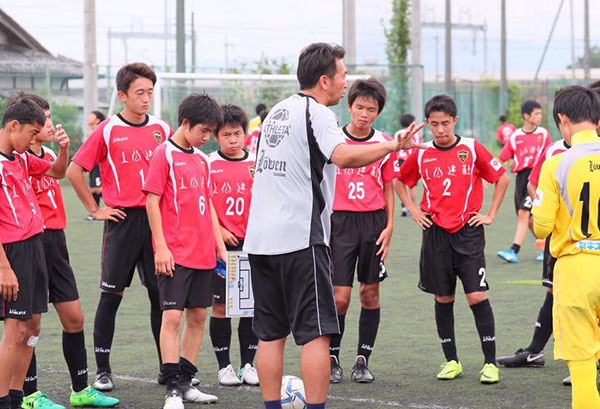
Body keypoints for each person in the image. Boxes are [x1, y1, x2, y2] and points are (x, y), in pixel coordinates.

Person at [243, 42, 423, 409]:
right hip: (299, 239)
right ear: (324, 80)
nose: (346, 82)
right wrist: (392, 147)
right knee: (318, 336)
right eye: (342, 75)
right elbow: (343, 157)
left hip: (259, 241)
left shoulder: (276, 111)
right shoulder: (319, 113)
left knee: (271, 335)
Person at [66, 63, 174, 391]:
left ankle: (167, 370)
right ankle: (103, 370)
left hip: (156, 222)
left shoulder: (162, 129)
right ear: (122, 95)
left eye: (150, 93)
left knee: (162, 299)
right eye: (139, 93)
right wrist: (96, 209)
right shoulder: (108, 129)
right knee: (111, 296)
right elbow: (74, 170)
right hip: (122, 222)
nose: (146, 99)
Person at [395, 94, 509, 384]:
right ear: (428, 124)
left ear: (455, 121)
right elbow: (399, 180)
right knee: (443, 297)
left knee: (477, 296)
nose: (441, 130)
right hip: (435, 233)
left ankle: (490, 363)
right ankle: (452, 361)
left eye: (445, 123)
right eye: (434, 124)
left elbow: (501, 178)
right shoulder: (420, 153)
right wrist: (413, 208)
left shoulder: (471, 147)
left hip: (468, 232)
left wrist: (490, 215)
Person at [20, 94, 118, 409]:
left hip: (56, 243)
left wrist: (63, 148)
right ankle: (29, 395)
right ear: (29, 124)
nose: (50, 124)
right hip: (29, 243)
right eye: (45, 119)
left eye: (49, 117)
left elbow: (60, 172)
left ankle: (80, 390)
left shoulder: (47, 153)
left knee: (74, 317)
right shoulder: (15, 158)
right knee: (30, 324)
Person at [144, 93, 224, 409]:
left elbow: (210, 208)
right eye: (203, 131)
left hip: (204, 253)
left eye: (210, 132)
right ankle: (173, 390)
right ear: (186, 123)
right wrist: (160, 247)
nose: (207, 138)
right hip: (175, 253)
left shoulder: (202, 160)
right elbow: (151, 201)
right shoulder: (163, 153)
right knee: (172, 317)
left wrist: (220, 249)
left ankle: (187, 382)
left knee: (198, 316)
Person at [532, 85, 600, 409]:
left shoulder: (556, 163)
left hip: (577, 268)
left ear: (562, 119)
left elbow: (542, 227)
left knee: (584, 366)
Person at [0, 95, 68, 409]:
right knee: (15, 329)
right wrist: (3, 267)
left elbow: (56, 172)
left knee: (33, 325)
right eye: (30, 133)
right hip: (12, 253)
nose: (33, 140)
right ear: (13, 126)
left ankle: (16, 396)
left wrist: (65, 149)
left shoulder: (23, 159)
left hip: (35, 245)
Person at [328, 77, 397, 384]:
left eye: (371, 108)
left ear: (378, 111)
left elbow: (388, 186)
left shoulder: (383, 142)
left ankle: (362, 360)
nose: (364, 113)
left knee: (370, 294)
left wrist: (390, 225)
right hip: (339, 223)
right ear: (350, 106)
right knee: (340, 297)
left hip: (373, 223)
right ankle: (332, 357)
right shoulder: (334, 140)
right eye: (360, 107)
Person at [207, 104, 259, 386]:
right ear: (216, 135)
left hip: (252, 245)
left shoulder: (257, 163)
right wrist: (221, 230)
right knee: (220, 308)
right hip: (220, 248)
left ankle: (248, 365)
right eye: (226, 135)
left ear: (245, 133)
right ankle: (223, 366)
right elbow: (203, 205)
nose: (233, 140)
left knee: (250, 307)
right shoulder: (208, 164)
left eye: (237, 134)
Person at [497, 100, 551, 263]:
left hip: (536, 179)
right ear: (526, 116)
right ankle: (549, 247)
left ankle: (514, 250)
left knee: (523, 213)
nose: (539, 116)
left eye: (541, 113)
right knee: (529, 220)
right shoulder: (516, 136)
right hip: (520, 179)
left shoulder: (543, 134)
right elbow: (501, 158)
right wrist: (488, 175)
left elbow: (550, 156)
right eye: (536, 113)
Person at [395, 113, 422, 217]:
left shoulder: (398, 133)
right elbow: (418, 148)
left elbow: (396, 148)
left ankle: (405, 206)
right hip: (412, 160)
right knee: (412, 186)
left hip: (401, 161)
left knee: (402, 184)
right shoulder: (416, 134)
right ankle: (412, 207)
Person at [84, 111, 106, 221]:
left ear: (97, 119)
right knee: (94, 189)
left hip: (99, 165)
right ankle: (94, 213)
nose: (88, 118)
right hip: (93, 165)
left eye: (91, 115)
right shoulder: (91, 132)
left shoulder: (100, 130)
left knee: (97, 189)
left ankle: (117, 206)